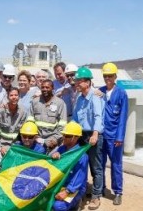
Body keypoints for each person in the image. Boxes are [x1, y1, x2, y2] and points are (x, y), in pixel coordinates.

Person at [72, 67, 104, 210]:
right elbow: (75, 119)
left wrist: (95, 134)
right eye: (76, 81)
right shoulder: (79, 99)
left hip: (93, 134)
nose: (76, 84)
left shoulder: (96, 96)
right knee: (81, 166)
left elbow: (98, 117)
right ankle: (81, 195)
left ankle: (96, 196)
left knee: (95, 167)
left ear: (88, 82)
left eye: (79, 81)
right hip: (81, 135)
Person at [99, 63, 128, 205]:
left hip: (114, 136)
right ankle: (101, 187)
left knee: (116, 164)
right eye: (105, 76)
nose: (107, 78)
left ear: (115, 76)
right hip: (101, 135)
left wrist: (120, 136)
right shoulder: (100, 91)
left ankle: (118, 192)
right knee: (100, 163)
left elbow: (123, 116)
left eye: (110, 76)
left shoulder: (121, 93)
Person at [51, 122, 88, 211]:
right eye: (64, 135)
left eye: (67, 136)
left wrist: (67, 192)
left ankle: (77, 202)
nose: (64, 137)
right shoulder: (61, 149)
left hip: (75, 188)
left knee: (58, 206)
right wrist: (54, 156)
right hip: (61, 183)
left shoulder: (82, 156)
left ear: (76, 138)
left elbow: (78, 178)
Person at [29, 79, 67, 152]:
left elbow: (62, 125)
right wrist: (33, 137)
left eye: (47, 87)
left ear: (52, 88)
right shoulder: (35, 102)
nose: (44, 89)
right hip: (36, 140)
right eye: (43, 87)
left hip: (53, 141)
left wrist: (55, 139)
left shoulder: (60, 103)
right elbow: (30, 121)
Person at [0, 87, 28, 155]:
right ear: (7, 97)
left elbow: (23, 132)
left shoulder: (23, 112)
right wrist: (0, 147)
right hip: (1, 145)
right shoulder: (0, 111)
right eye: (11, 95)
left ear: (19, 96)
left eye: (16, 95)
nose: (14, 97)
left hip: (16, 145)